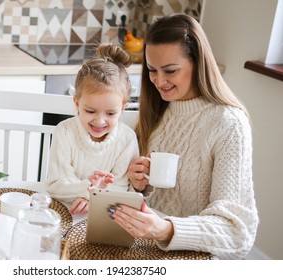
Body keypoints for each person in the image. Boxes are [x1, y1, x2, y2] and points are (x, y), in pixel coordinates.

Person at [108, 13, 259, 259]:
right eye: (151, 70)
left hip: (194, 257)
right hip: (145, 249)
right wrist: (139, 186)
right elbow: (146, 199)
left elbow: (237, 233)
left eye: (170, 70)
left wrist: (166, 229)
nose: (158, 81)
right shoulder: (156, 113)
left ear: (198, 63)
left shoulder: (229, 124)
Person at [45, 43, 139, 215]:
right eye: (90, 111)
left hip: (102, 214)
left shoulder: (127, 139)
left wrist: (93, 198)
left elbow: (121, 187)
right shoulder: (64, 131)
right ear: (77, 103)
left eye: (110, 113)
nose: (99, 120)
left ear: (123, 108)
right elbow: (55, 184)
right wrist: (88, 189)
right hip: (61, 211)